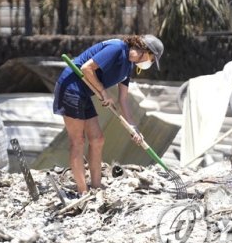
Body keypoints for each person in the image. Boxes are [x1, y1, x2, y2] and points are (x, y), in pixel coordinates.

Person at [53, 34, 164, 195]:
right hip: (71, 87)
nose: (150, 63)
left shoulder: (128, 67)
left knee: (98, 139)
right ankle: (82, 191)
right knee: (77, 141)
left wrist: (134, 128)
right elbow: (86, 68)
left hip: (85, 92)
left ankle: (97, 187)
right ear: (144, 50)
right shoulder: (117, 48)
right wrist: (103, 92)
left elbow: (123, 99)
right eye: (152, 59)